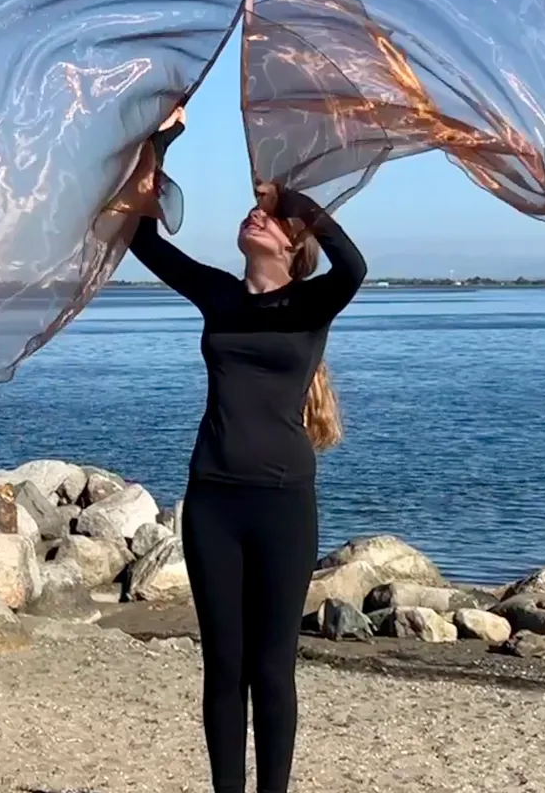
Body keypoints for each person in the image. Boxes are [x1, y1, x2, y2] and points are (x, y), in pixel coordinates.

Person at [127, 116, 367, 793]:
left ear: (292, 248)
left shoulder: (311, 304)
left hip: (285, 505)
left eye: (270, 224)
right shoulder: (219, 297)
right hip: (214, 501)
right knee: (223, 666)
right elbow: (141, 235)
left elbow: (355, 265)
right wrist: (160, 145)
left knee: (272, 668)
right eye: (255, 216)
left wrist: (292, 202)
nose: (254, 220)